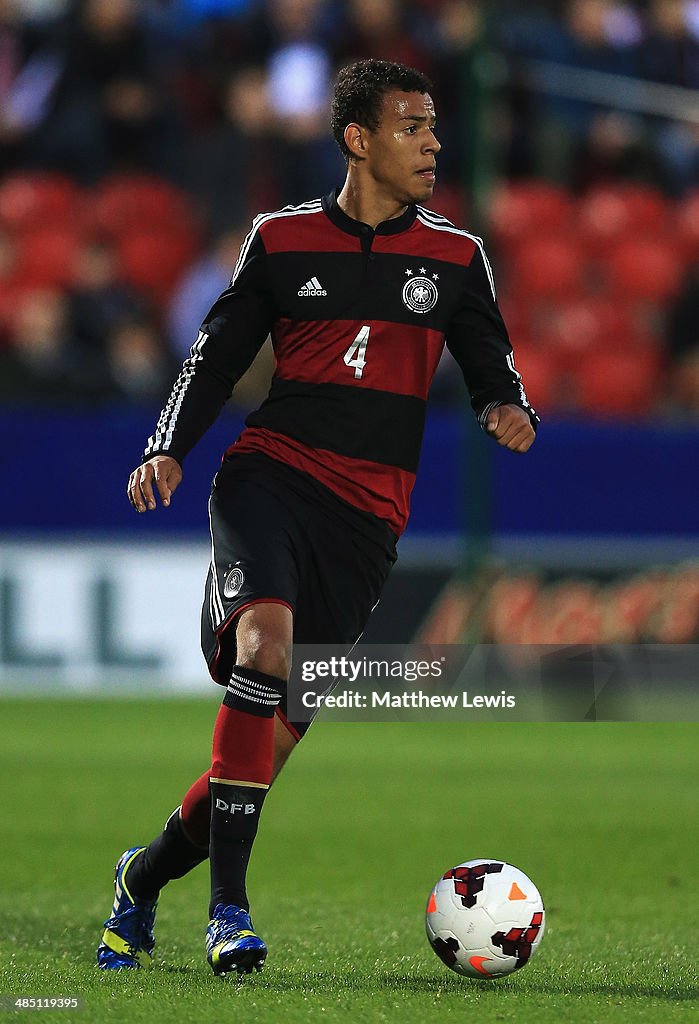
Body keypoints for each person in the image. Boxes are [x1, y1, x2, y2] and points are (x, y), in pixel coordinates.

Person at [96, 58, 538, 978]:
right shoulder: (283, 238)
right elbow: (213, 356)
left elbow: (489, 355)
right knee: (263, 647)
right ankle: (229, 912)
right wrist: (167, 445)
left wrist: (506, 405)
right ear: (358, 138)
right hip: (270, 477)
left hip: (368, 523)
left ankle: (139, 881)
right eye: (411, 126)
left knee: (268, 742)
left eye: (432, 127)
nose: (431, 143)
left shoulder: (455, 253)